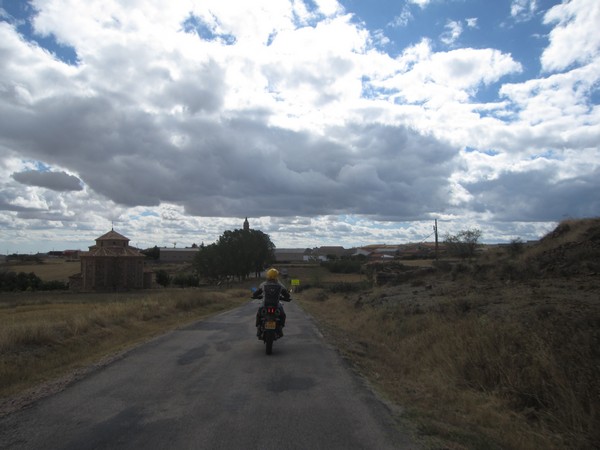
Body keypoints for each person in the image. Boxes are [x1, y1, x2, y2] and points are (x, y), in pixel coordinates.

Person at [252, 268, 291, 337]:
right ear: (276, 276)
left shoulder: (263, 284)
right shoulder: (280, 285)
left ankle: (258, 328)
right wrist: (287, 298)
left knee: (259, 313)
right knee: (282, 315)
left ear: (268, 276)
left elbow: (256, 293)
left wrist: (255, 296)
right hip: (276, 304)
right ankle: (280, 329)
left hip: (265, 304)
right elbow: (287, 295)